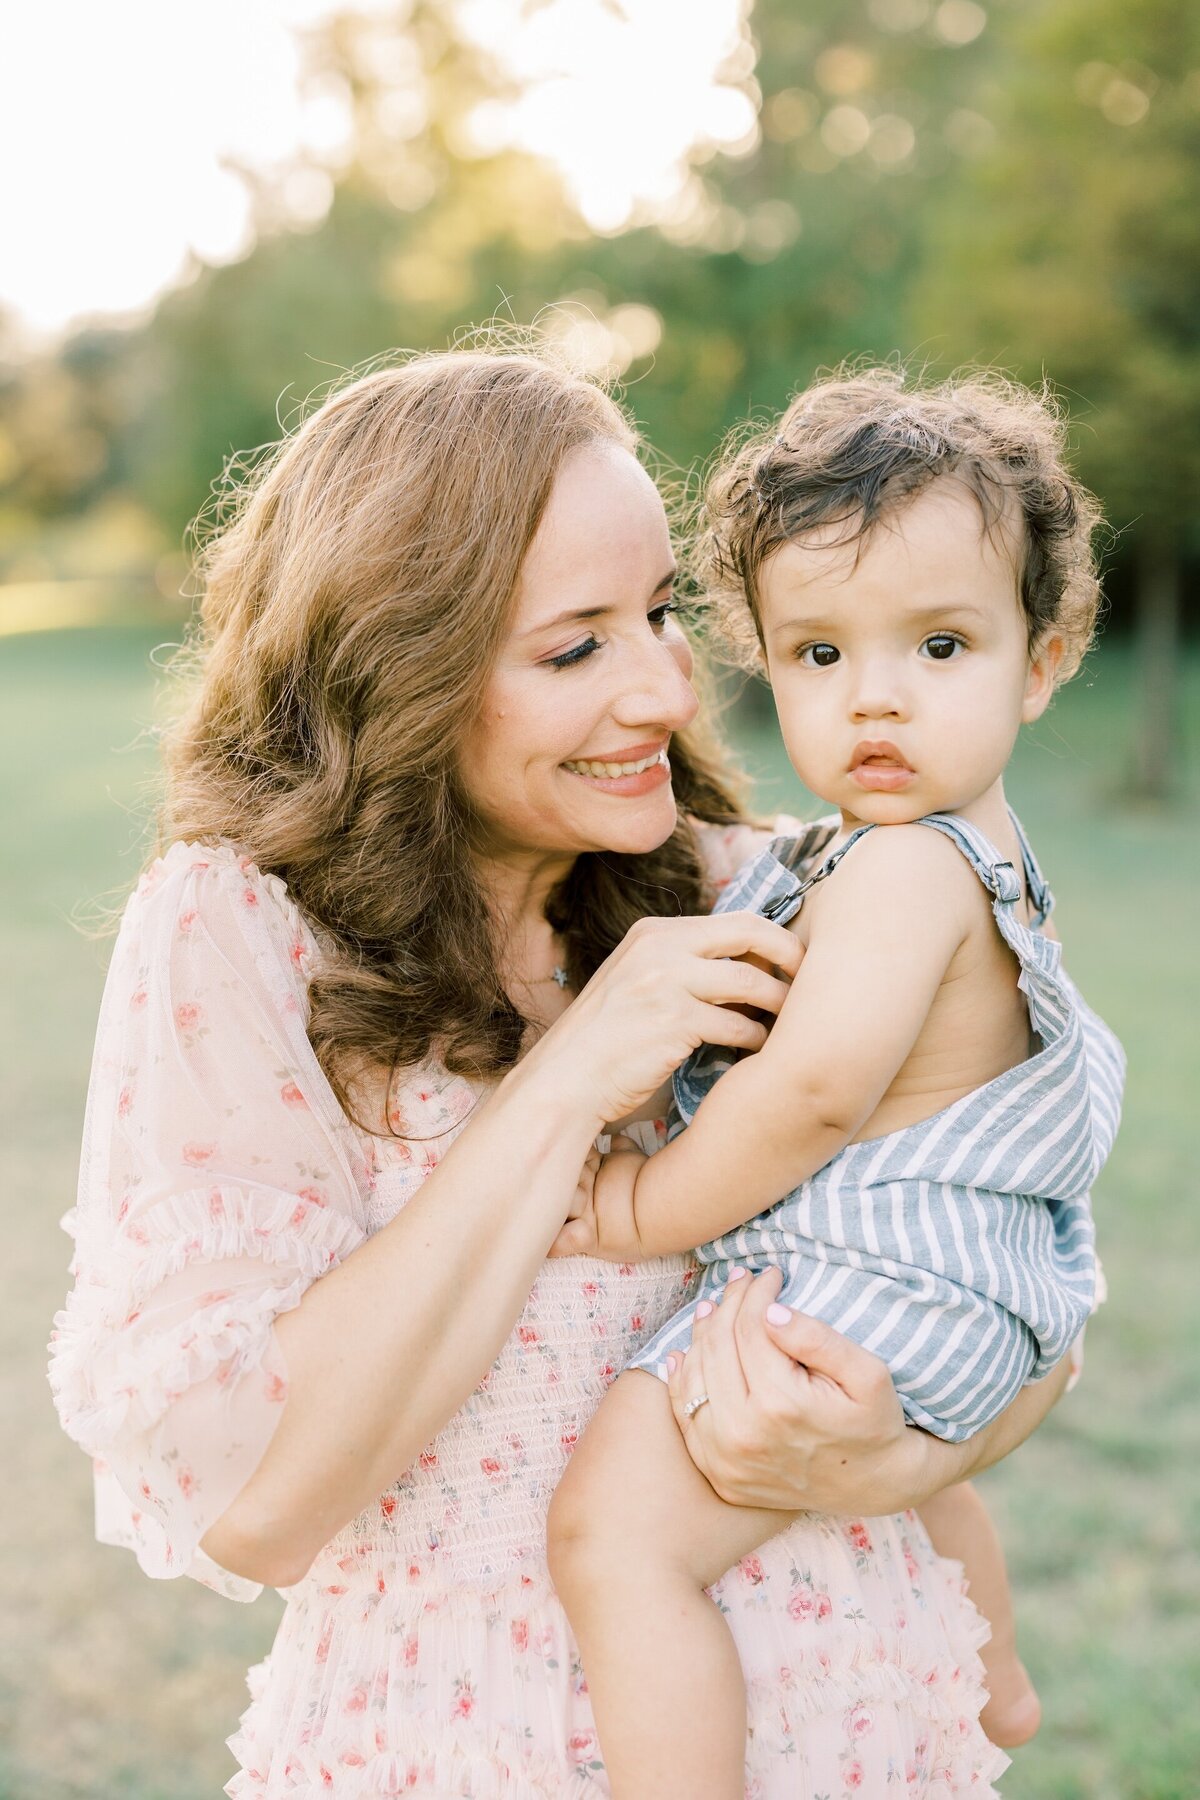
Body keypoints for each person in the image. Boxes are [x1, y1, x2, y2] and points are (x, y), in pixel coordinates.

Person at [48, 346, 1058, 1799]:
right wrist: (571, 1077)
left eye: (659, 614)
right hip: (449, 1739)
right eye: (576, 645)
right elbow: (253, 1503)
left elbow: (1028, 1272)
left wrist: (894, 1464)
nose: (662, 686)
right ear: (404, 668)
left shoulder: (762, 892)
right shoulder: (239, 932)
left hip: (854, 1713)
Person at [547, 368, 1125, 1798]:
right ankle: (992, 1674)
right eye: (818, 655)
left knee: (610, 1542)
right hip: (965, 1297)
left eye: (938, 645)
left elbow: (808, 1099)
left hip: (861, 1286)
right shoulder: (982, 855)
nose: (874, 697)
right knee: (938, 1476)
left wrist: (634, 1209)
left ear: (1041, 662)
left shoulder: (908, 868)